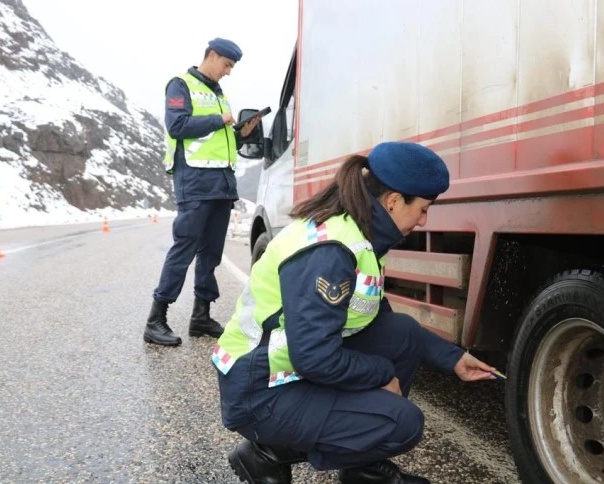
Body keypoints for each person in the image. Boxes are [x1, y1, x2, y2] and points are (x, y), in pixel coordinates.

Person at [212, 142, 499, 483]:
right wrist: (380, 375)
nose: (424, 221)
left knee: (402, 333)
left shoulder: (359, 232)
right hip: (260, 389)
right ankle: (268, 451)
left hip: (285, 369)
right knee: (402, 422)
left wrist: (451, 357)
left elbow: (375, 316)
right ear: (393, 201)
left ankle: (362, 469)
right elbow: (314, 358)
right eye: (423, 209)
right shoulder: (330, 251)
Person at [144, 38, 262, 346]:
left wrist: (240, 133)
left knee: (211, 254)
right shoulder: (180, 85)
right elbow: (177, 126)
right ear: (211, 55)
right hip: (194, 181)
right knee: (184, 249)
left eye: (232, 67)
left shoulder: (218, 94)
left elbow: (219, 141)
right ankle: (156, 319)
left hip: (222, 185)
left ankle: (201, 316)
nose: (228, 72)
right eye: (227, 64)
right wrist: (219, 119)